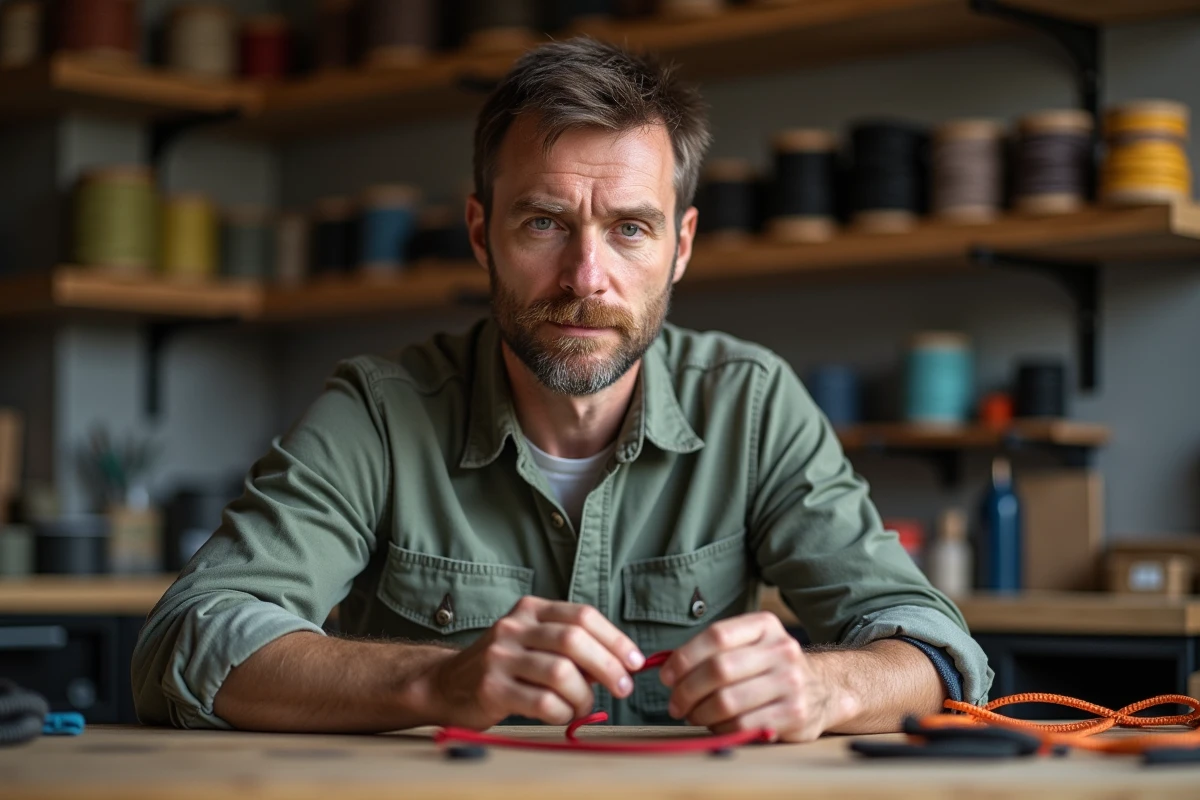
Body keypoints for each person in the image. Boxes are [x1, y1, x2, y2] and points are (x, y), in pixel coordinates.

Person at [132, 38, 991, 741]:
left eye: (630, 229)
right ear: (482, 233)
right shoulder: (379, 413)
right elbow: (187, 638)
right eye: (544, 222)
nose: (586, 277)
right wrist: (439, 680)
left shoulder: (754, 406)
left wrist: (826, 687)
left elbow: (937, 649)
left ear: (682, 246)